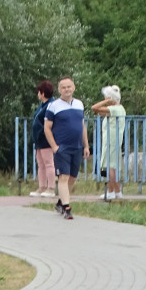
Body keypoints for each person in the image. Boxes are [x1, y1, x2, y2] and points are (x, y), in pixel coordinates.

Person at [43, 76, 90, 220]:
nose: (67, 89)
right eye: (63, 87)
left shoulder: (79, 104)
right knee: (63, 177)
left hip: (77, 147)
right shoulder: (54, 106)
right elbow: (47, 128)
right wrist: (55, 147)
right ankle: (67, 208)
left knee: (72, 178)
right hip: (62, 148)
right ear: (59, 90)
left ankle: (60, 202)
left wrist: (86, 145)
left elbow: (82, 126)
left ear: (74, 87)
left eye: (69, 86)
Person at [91, 85, 127, 201]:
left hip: (112, 139)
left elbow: (94, 108)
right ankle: (117, 191)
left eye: (106, 98)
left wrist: (106, 100)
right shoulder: (119, 109)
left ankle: (111, 191)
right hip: (113, 139)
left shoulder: (115, 109)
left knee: (110, 166)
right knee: (114, 165)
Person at [29, 80, 56, 198]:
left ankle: (51, 187)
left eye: (39, 92)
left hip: (45, 139)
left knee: (48, 163)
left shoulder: (51, 105)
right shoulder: (42, 105)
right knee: (41, 164)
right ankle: (42, 187)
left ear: (43, 93)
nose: (38, 94)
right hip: (38, 139)